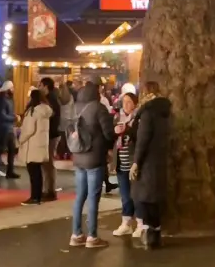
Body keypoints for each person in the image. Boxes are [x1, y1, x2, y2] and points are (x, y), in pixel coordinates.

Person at [69, 79, 115, 249]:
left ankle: (76, 234)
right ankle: (92, 236)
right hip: (95, 158)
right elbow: (109, 133)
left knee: (80, 196)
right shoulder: (98, 108)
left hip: (79, 156)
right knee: (93, 198)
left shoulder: (77, 107)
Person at [130, 81, 171, 249]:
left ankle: (149, 236)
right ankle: (156, 234)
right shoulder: (165, 112)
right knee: (154, 199)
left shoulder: (147, 113)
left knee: (145, 198)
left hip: (147, 162)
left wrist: (136, 162)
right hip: (159, 159)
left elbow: (143, 140)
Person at [112, 91, 144, 238]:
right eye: (123, 101)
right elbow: (112, 138)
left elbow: (140, 139)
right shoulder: (117, 118)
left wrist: (128, 130)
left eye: (129, 101)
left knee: (136, 194)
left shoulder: (138, 119)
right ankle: (126, 223)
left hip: (133, 162)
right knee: (125, 195)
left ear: (135, 104)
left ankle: (140, 223)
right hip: (120, 161)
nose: (125, 104)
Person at [18, 89, 53, 204]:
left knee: (33, 173)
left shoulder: (34, 111)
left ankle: (34, 197)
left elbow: (29, 130)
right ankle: (37, 196)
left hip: (32, 145)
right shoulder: (45, 111)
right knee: (38, 172)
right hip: (41, 145)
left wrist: (20, 139)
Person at [39, 77, 61, 200]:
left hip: (51, 135)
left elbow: (50, 117)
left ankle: (50, 191)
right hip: (52, 134)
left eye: (40, 85)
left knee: (48, 163)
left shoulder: (50, 100)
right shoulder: (53, 98)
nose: (39, 88)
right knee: (47, 163)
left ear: (46, 86)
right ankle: (48, 189)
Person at [0, 81, 18, 178]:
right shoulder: (2, 100)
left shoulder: (8, 99)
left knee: (11, 150)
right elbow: (1, 115)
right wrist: (13, 118)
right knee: (0, 149)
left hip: (8, 128)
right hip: (4, 128)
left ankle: (9, 170)